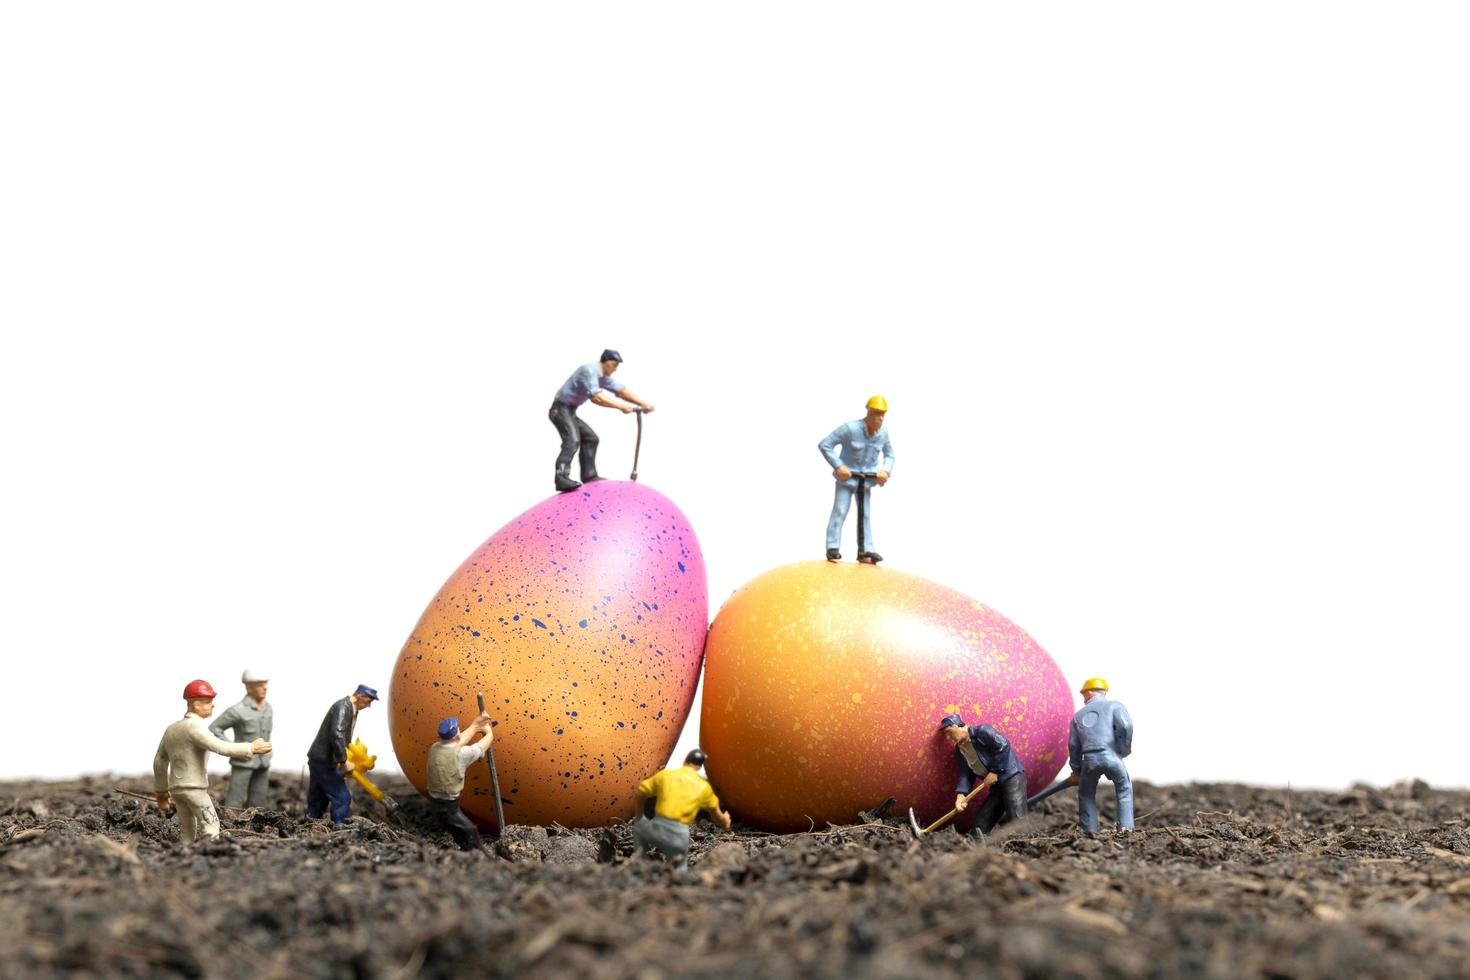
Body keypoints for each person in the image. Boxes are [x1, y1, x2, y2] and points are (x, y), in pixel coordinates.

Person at [153, 679, 272, 845]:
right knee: (211, 825)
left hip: (176, 790)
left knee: (188, 830)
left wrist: (161, 793)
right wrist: (250, 748)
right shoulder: (196, 727)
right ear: (195, 704)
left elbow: (159, 761)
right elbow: (220, 746)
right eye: (208, 702)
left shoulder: (172, 729)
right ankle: (209, 853)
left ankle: (184, 855)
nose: (213, 706)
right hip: (194, 789)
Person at [549, 350, 656, 492]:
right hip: (560, 410)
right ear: (604, 362)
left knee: (591, 438)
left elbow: (621, 391)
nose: (615, 369)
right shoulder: (589, 371)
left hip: (570, 411)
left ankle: (589, 475)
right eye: (613, 364)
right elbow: (596, 398)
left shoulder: (602, 377)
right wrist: (621, 407)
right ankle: (561, 478)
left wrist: (644, 403)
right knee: (572, 440)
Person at [818, 396, 895, 563]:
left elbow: (890, 454)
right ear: (868, 412)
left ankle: (866, 550)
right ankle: (832, 547)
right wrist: (839, 466)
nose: (880, 418)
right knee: (840, 510)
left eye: (882, 414)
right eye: (876, 413)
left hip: (866, 480)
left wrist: (885, 471)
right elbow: (825, 444)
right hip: (848, 479)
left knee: (865, 514)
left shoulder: (883, 433)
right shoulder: (850, 429)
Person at [631, 749, 731, 871]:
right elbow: (717, 816)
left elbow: (641, 791)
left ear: (685, 761)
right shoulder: (704, 788)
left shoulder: (666, 775)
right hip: (678, 837)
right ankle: (678, 881)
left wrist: (640, 817)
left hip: (656, 830)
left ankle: (640, 865)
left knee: (638, 830)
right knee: (679, 864)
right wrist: (726, 823)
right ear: (700, 767)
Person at [939, 712, 1028, 837]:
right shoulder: (959, 751)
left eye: (950, 732)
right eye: (946, 735)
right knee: (981, 823)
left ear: (959, 725)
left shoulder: (982, 731)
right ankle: (975, 846)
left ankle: (1025, 846)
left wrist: (995, 771)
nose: (949, 737)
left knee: (1017, 816)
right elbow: (965, 774)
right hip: (996, 787)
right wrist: (961, 794)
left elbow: (1003, 745)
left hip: (1012, 778)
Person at [1066, 677, 1134, 832]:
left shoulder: (1077, 716)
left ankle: (1089, 830)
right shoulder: (1114, 706)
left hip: (1089, 761)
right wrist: (1123, 748)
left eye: (1083, 694)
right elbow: (1125, 725)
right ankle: (1126, 828)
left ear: (1089, 692)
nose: (1083, 698)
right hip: (1111, 756)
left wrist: (1076, 770)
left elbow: (1073, 745)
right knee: (1124, 788)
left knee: (1086, 794)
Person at [306, 685, 378, 824]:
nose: (369, 706)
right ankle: (339, 826)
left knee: (319, 794)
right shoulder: (343, 708)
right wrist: (343, 761)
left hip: (319, 757)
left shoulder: (351, 709)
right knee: (342, 796)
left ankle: (312, 821)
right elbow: (337, 734)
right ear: (360, 696)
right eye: (369, 701)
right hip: (326, 759)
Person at [426, 713, 495, 851]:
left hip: (434, 802)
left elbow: (456, 742)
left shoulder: (435, 748)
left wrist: (476, 725)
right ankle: (475, 854)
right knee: (470, 830)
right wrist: (489, 733)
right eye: (458, 729)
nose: (460, 731)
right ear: (455, 735)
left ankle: (465, 848)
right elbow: (480, 747)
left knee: (457, 830)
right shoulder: (462, 754)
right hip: (448, 805)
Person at [208, 667, 274, 809]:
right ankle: (231, 827)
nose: (265, 688)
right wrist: (233, 749)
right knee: (235, 800)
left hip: (263, 762)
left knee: (259, 799)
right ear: (249, 688)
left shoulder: (268, 708)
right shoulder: (238, 710)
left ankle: (256, 825)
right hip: (244, 762)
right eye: (260, 685)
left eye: (266, 684)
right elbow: (214, 728)